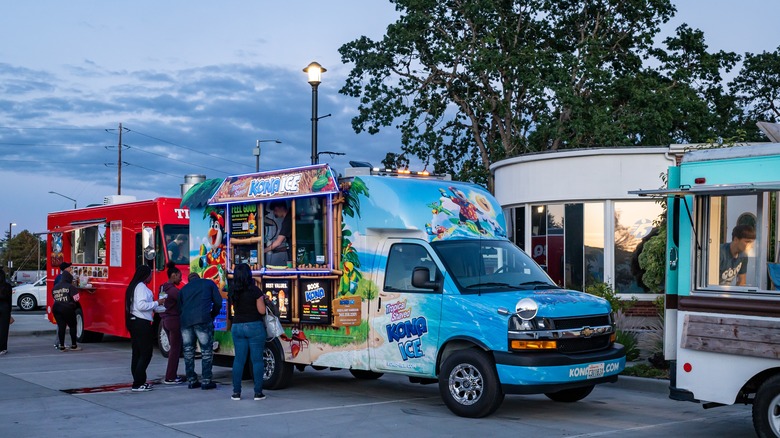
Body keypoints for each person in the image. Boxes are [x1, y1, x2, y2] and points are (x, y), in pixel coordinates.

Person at [228, 263, 268, 401]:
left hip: (237, 326)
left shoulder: (233, 290)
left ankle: (236, 393)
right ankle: (258, 393)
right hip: (254, 327)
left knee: (239, 360)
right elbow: (262, 311)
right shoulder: (255, 291)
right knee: (257, 360)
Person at [179, 271, 222, 390]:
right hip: (203, 319)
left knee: (188, 351)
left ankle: (192, 380)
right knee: (206, 351)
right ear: (199, 277)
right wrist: (212, 314)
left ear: (189, 280)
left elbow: (180, 308)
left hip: (186, 322)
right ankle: (206, 380)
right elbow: (218, 302)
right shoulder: (208, 283)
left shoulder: (183, 289)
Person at [124, 265, 165, 392]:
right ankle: (138, 382)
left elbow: (145, 306)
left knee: (137, 353)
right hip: (142, 323)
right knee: (146, 353)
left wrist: (160, 307)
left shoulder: (134, 286)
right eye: (150, 274)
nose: (151, 277)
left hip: (135, 321)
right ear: (145, 275)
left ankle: (139, 381)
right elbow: (141, 305)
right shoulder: (141, 287)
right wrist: (158, 302)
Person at [160, 262, 185, 384]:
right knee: (175, 350)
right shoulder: (174, 291)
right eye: (179, 276)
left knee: (173, 350)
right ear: (173, 275)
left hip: (165, 320)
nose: (180, 278)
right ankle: (170, 376)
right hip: (174, 321)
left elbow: (161, 304)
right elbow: (183, 304)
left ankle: (171, 375)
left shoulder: (163, 288)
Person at [52, 269, 81, 351]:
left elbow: (53, 296)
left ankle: (61, 346)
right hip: (67, 308)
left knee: (61, 326)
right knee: (72, 325)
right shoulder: (70, 286)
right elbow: (76, 298)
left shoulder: (55, 287)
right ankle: (74, 345)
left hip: (56, 308)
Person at [264, 200, 291, 266]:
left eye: (275, 209)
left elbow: (278, 242)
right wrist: (277, 250)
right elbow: (289, 246)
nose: (274, 212)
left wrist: (263, 251)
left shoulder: (288, 220)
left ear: (282, 207)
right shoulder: (288, 218)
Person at [53, 262, 73, 348]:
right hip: (64, 303)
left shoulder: (58, 277)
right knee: (62, 325)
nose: (70, 269)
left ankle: (58, 342)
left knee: (60, 324)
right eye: (69, 267)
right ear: (65, 269)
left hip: (57, 303)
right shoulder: (64, 278)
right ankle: (59, 343)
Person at [0, 269, 13, 356]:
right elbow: (9, 300)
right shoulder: (7, 286)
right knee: (4, 329)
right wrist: (10, 312)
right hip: (5, 307)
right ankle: (2, 348)